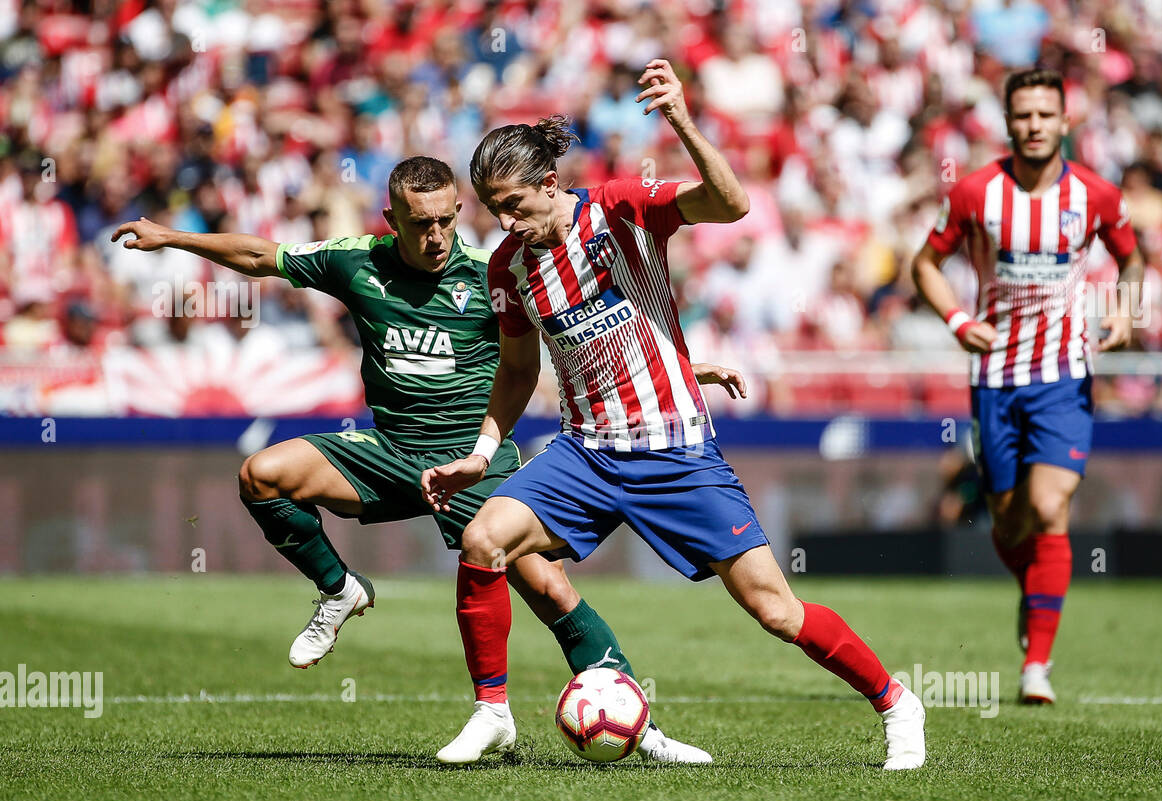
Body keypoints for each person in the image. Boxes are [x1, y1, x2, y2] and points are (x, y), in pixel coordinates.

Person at [112, 156, 742, 763]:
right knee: (262, 475)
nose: (437, 235)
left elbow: (574, 333)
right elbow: (260, 256)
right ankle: (340, 591)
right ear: (393, 216)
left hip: (473, 459)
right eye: (421, 222)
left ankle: (643, 727)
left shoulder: (490, 270)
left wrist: (681, 368)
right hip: (389, 452)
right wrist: (170, 236)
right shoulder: (355, 261)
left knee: (549, 588)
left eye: (446, 219)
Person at [423, 60, 926, 770]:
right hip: (586, 453)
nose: (504, 222)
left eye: (513, 204)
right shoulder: (508, 267)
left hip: (675, 452)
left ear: (548, 184)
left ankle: (897, 704)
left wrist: (683, 121)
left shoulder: (620, 211)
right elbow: (518, 369)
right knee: (484, 539)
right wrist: (481, 451)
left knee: (777, 612)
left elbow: (732, 205)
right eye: (492, 209)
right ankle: (493, 712)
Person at [911, 68, 1144, 703]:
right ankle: (1031, 592)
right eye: (1023, 116)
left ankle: (1036, 666)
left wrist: (1127, 309)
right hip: (995, 378)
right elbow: (924, 265)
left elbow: (1132, 256)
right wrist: (959, 320)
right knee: (1012, 524)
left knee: (1050, 507)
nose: (1034, 126)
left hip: (1065, 373)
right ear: (1009, 122)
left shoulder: (1095, 194)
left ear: (1065, 122)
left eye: (1046, 115)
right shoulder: (975, 194)